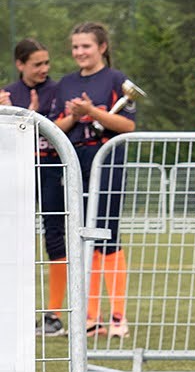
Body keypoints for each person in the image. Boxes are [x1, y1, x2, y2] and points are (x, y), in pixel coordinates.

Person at [52, 22, 136, 337]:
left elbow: (127, 126)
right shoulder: (66, 83)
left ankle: (118, 317)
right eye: (75, 46)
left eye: (86, 46)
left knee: (107, 234)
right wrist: (75, 115)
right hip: (76, 162)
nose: (80, 52)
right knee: (82, 237)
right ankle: (91, 317)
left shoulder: (116, 80)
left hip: (107, 160)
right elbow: (55, 127)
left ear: (101, 47)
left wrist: (92, 111)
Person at [8, 40, 66, 336]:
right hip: (16, 172)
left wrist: (33, 118)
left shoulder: (58, 90)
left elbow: (65, 128)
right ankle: (13, 310)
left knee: (54, 236)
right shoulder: (8, 94)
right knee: (13, 239)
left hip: (50, 170)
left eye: (47, 63)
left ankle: (54, 315)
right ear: (20, 64)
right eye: (37, 64)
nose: (44, 69)